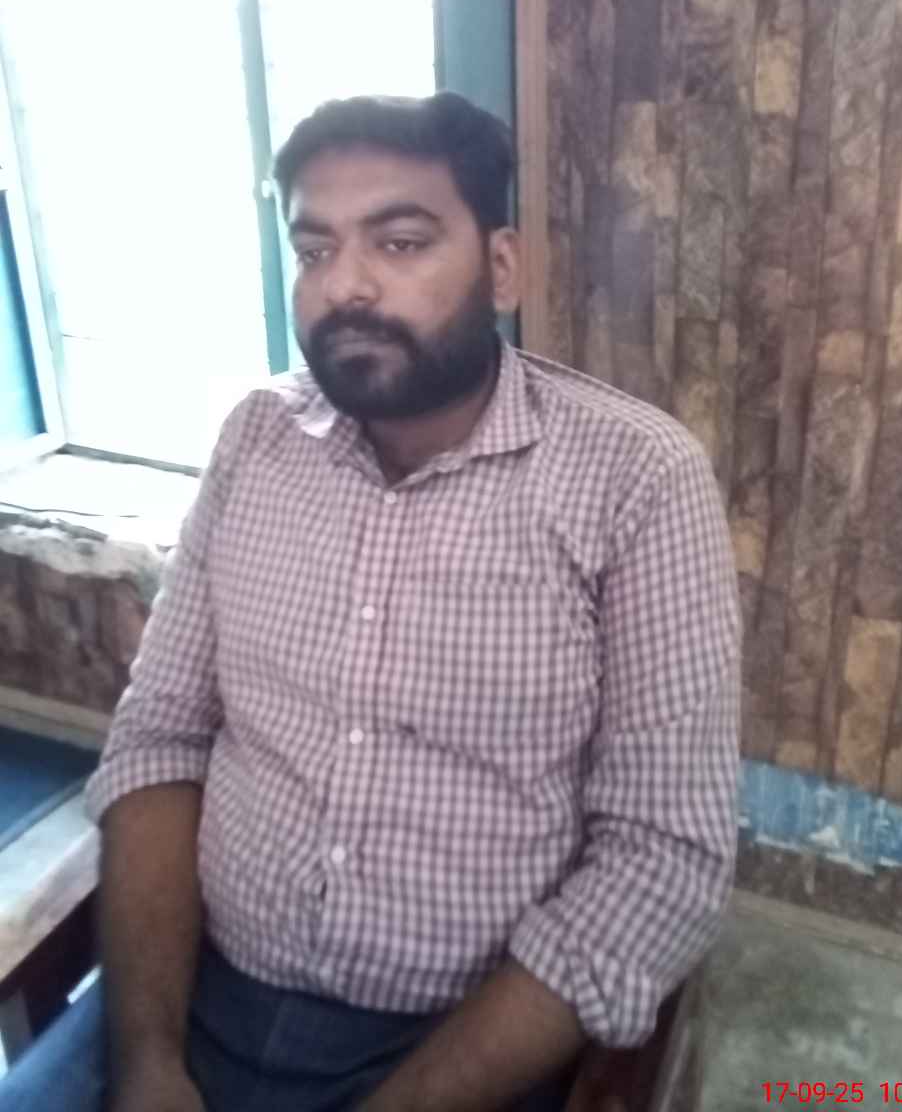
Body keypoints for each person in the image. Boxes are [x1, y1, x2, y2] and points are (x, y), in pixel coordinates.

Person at [0, 91, 741, 1112]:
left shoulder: (636, 480)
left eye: (400, 242)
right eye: (315, 250)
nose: (344, 285)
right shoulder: (257, 439)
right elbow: (162, 737)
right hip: (191, 986)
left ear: (502, 267)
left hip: (465, 1040)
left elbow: (662, 855)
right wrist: (147, 1061)